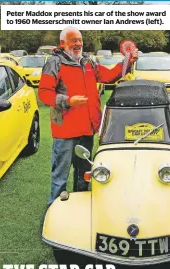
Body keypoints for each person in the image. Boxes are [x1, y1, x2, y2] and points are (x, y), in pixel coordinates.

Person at [38, 26, 138, 206]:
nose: (78, 44)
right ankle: (54, 211)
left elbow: (108, 76)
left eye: (79, 40)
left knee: (84, 174)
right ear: (63, 43)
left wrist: (127, 60)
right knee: (60, 176)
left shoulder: (88, 62)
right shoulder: (54, 63)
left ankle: (80, 208)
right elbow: (44, 94)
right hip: (65, 132)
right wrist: (68, 101)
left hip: (87, 130)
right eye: (73, 40)